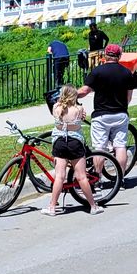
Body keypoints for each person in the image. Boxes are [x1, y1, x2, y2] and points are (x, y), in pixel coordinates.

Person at [78, 44, 137, 180]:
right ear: (119, 56)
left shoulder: (98, 71)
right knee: (120, 146)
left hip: (101, 115)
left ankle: (97, 179)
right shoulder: (127, 73)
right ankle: (120, 179)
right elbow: (128, 98)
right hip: (120, 114)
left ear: (105, 55)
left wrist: (71, 95)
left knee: (100, 148)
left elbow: (84, 91)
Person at [42, 84, 102, 216]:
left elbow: (59, 109)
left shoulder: (56, 107)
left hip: (59, 143)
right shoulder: (79, 109)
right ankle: (93, 206)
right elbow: (81, 118)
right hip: (75, 143)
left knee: (59, 176)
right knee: (81, 176)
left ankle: (52, 207)